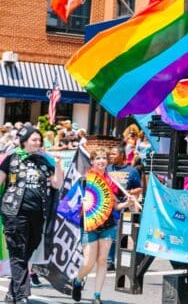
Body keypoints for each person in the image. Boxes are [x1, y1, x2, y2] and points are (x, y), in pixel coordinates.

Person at [0, 125, 63, 303]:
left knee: (28, 249)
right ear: (24, 141)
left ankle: (12, 292)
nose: (38, 143)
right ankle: (21, 295)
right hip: (14, 213)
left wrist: (57, 164)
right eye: (34, 139)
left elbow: (57, 184)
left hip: (37, 215)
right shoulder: (11, 158)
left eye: (39, 140)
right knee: (18, 252)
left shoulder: (44, 161)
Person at [71, 149, 133, 304]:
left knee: (103, 260)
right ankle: (77, 281)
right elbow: (72, 204)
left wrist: (128, 202)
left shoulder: (111, 181)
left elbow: (115, 206)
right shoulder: (84, 180)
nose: (101, 161)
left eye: (104, 158)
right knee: (88, 262)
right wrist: (82, 203)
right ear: (92, 161)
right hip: (90, 225)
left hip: (108, 225)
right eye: (97, 158)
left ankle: (97, 296)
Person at [106, 146, 142, 271]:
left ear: (122, 155)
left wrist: (129, 192)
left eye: (113, 154)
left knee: (123, 235)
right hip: (109, 206)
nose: (111, 156)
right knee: (111, 234)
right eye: (110, 154)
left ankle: (125, 261)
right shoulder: (107, 169)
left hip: (124, 206)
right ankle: (109, 261)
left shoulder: (132, 171)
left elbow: (139, 188)